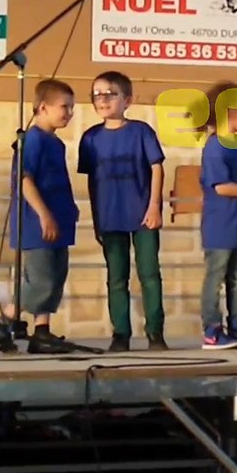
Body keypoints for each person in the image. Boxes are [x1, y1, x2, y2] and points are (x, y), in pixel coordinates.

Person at [0, 79, 80, 355]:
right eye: (64, 107)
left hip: (59, 220)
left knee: (56, 276)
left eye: (72, 108)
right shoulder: (32, 139)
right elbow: (25, 180)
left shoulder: (55, 143)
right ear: (43, 107)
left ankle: (42, 331)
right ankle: (5, 320)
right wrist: (44, 214)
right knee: (41, 278)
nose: (69, 113)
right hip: (38, 222)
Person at [78, 71, 167, 352]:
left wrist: (154, 206)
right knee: (116, 277)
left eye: (110, 93)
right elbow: (92, 181)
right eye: (97, 94)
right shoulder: (90, 138)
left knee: (149, 274)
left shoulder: (141, 131)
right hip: (110, 216)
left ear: (127, 99)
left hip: (142, 214)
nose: (102, 99)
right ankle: (120, 333)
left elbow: (156, 167)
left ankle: (155, 332)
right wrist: (96, 220)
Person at [198, 81, 237, 349]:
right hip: (220, 223)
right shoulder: (215, 146)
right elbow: (221, 186)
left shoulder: (236, 144)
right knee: (216, 277)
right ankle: (212, 329)